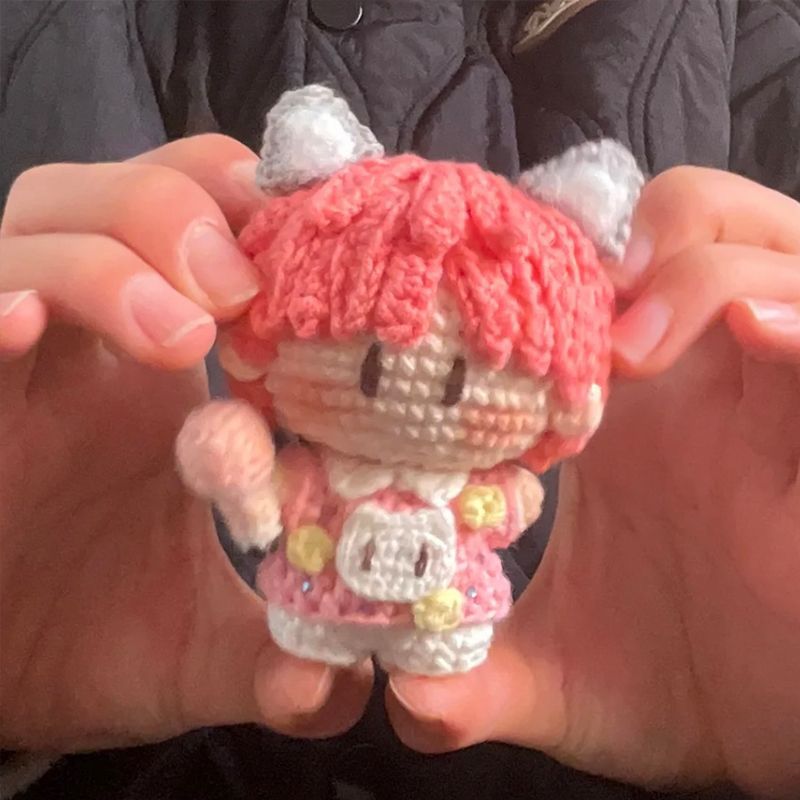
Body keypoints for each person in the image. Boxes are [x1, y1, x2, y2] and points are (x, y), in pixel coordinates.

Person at [1, 1, 798, 798]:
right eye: (373, 368)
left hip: (454, 613)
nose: (417, 387)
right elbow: (272, 499)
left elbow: (505, 503)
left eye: (456, 378)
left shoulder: (764, 47)